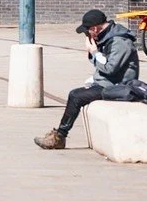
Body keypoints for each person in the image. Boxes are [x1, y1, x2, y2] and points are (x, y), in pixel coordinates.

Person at [34, 10, 140, 150]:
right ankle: (59, 135)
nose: (87, 35)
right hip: (109, 83)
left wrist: (94, 52)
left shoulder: (119, 41)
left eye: (87, 31)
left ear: (95, 28)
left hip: (119, 87)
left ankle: (59, 137)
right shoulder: (108, 37)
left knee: (76, 96)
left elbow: (110, 68)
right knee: (79, 93)